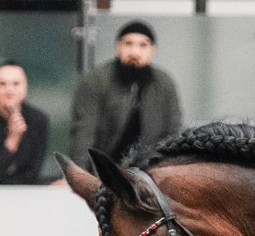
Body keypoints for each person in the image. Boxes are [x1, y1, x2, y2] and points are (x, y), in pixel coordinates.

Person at [70, 20, 185, 162]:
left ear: (152, 50)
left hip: (151, 169)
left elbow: (174, 131)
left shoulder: (164, 82)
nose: (134, 52)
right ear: (118, 47)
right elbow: (84, 132)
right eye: (128, 44)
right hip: (104, 168)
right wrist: (78, 174)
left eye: (143, 45)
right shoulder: (95, 80)